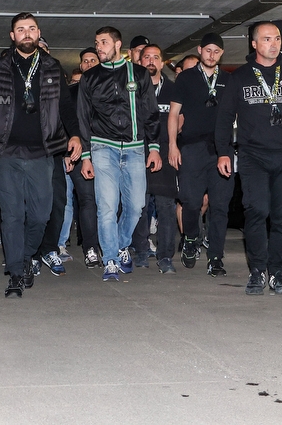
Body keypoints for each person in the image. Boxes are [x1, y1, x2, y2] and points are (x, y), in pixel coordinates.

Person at [215, 22, 282, 296]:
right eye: (266, 39)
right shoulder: (238, 77)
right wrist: (223, 152)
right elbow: (224, 118)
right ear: (254, 44)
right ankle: (257, 271)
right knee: (256, 211)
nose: (273, 43)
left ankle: (277, 272)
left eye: (276, 38)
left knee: (281, 216)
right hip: (253, 156)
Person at [0, 13, 82, 298]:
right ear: (12, 36)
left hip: (42, 152)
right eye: (20, 29)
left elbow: (65, 106)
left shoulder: (52, 67)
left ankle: (27, 256)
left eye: (31, 28)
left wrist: (75, 134)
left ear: (39, 33)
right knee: (12, 215)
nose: (26, 33)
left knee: (41, 215)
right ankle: (16, 272)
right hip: (5, 153)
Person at [78, 26, 161, 282]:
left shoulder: (137, 73)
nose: (99, 47)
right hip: (103, 147)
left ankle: (122, 245)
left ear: (117, 45)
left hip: (136, 148)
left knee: (136, 206)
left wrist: (155, 147)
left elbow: (150, 111)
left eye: (103, 42)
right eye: (96, 42)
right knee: (106, 207)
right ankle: (111, 259)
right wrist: (86, 155)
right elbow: (83, 117)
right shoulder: (90, 78)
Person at [168, 33, 234, 276]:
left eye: (217, 51)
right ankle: (191, 237)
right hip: (192, 147)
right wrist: (173, 145)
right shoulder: (185, 78)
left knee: (220, 206)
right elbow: (173, 114)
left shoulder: (229, 79)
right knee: (191, 202)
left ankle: (215, 257)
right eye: (208, 50)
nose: (212, 55)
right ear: (200, 50)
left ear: (222, 54)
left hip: (221, 150)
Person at [130, 44, 179, 272]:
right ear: (139, 62)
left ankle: (165, 256)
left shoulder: (172, 89)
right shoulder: (131, 88)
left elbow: (181, 119)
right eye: (146, 57)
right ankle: (140, 250)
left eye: (155, 57)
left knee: (166, 205)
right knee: (139, 204)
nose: (150, 61)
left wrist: (171, 145)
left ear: (161, 62)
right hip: (138, 151)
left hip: (166, 153)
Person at [67, 47, 102, 268]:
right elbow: (65, 125)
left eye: (93, 60)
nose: (88, 63)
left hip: (107, 152)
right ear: (81, 66)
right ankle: (90, 248)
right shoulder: (70, 92)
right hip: (81, 153)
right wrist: (66, 153)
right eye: (85, 61)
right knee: (87, 201)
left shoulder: (110, 88)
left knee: (109, 203)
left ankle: (111, 246)